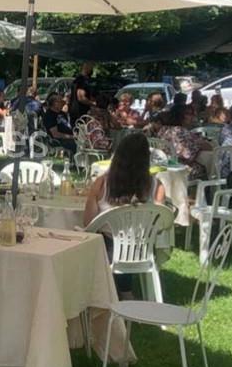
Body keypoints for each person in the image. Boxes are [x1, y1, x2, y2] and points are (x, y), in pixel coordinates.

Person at [82, 132, 167, 297]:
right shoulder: (156, 186)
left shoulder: (101, 183)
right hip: (141, 248)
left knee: (98, 238)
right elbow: (161, 221)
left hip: (105, 249)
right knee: (123, 242)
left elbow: (88, 223)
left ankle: (106, 291)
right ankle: (125, 292)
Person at [157, 104, 213, 180]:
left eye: (193, 114)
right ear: (180, 115)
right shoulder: (180, 131)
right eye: (188, 114)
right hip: (180, 169)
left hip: (164, 167)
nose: (192, 117)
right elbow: (188, 155)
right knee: (209, 164)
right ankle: (212, 187)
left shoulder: (163, 129)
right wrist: (203, 144)